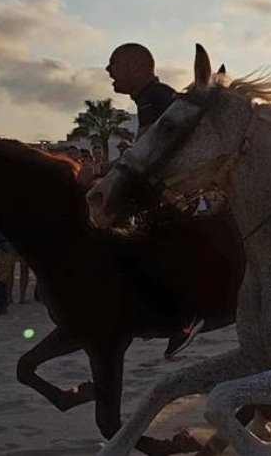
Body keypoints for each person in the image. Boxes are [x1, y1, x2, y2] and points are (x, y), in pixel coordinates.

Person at [105, 42, 205, 359]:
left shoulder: (155, 97)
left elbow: (147, 152)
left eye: (113, 64)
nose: (108, 71)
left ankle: (187, 316)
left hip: (178, 193)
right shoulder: (151, 97)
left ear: (136, 65)